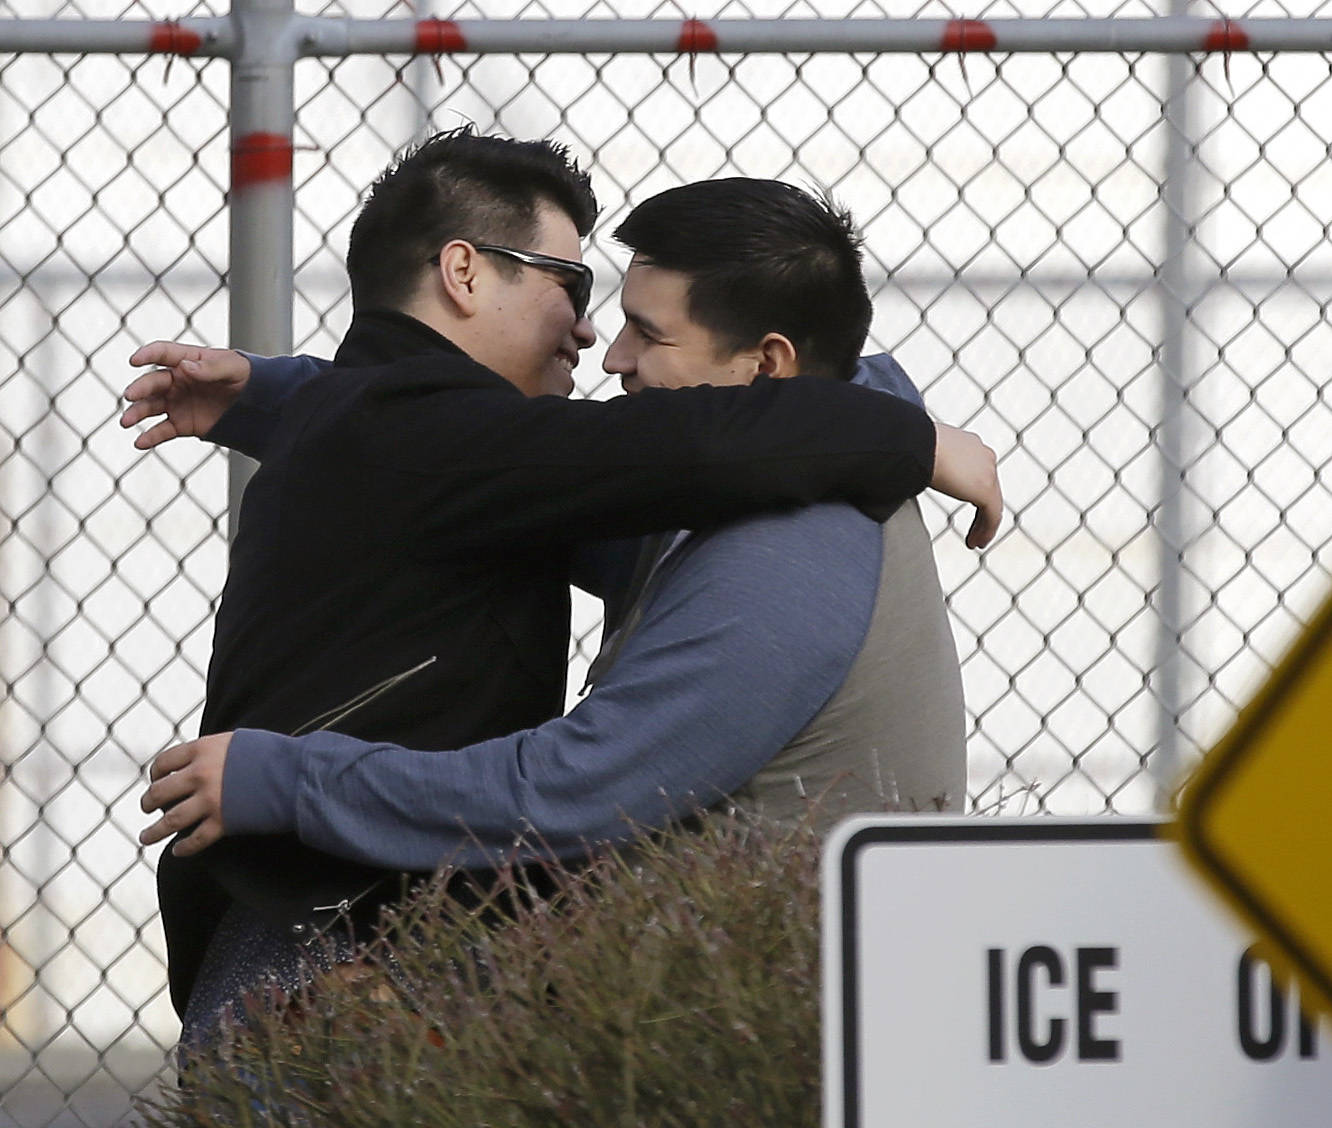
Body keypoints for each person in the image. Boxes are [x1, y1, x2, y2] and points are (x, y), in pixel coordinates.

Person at [125, 138, 1000, 1041]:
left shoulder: (785, 546)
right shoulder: (663, 492)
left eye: (644, 331)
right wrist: (275, 393)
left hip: (750, 1039)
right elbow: (427, 437)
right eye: (580, 295)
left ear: (768, 374)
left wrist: (292, 777)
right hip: (330, 947)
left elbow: (584, 784)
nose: (604, 349)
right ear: (462, 273)